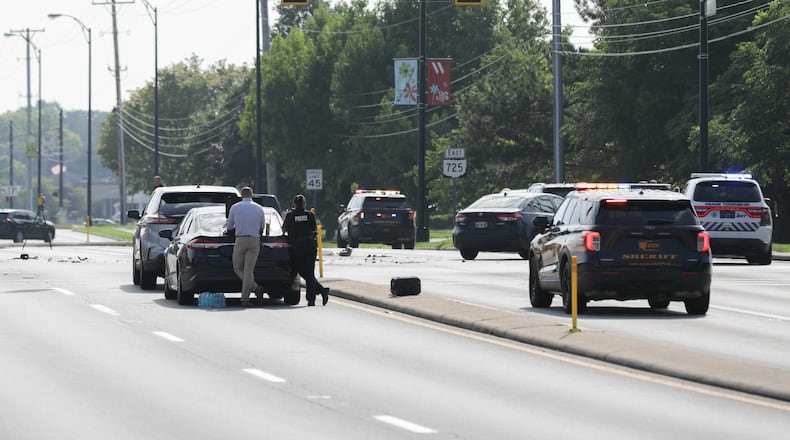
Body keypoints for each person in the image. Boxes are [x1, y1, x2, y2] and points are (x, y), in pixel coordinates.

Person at [282, 194, 329, 306]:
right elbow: (314, 229)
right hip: (309, 246)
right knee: (309, 272)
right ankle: (315, 296)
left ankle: (318, 293)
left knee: (301, 271)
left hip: (297, 247)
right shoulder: (309, 215)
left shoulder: (290, 215)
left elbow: (284, 229)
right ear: (304, 204)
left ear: (294, 203)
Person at [225, 186, 267, 307]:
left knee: (237, 268)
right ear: (252, 195)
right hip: (254, 239)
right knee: (249, 270)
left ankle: (254, 290)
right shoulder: (259, 208)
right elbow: (262, 226)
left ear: (242, 195)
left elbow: (229, 226)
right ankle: (247, 297)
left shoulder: (235, 207)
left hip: (240, 239)